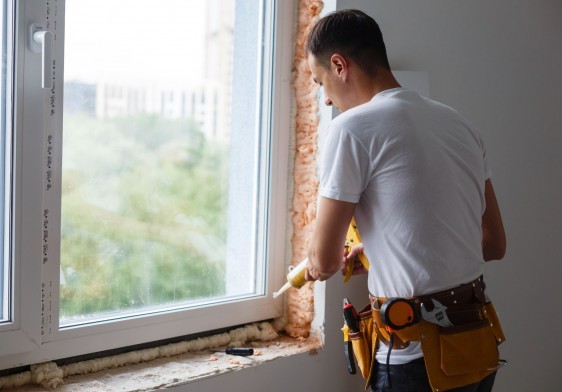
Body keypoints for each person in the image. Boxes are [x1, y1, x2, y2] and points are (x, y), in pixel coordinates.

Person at [302, 9, 506, 392]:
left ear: (339, 65)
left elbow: (325, 260)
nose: (325, 101)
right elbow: (494, 243)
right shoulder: (460, 124)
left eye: (320, 82)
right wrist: (383, 249)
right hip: (477, 348)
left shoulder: (351, 130)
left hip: (416, 362)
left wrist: (315, 266)